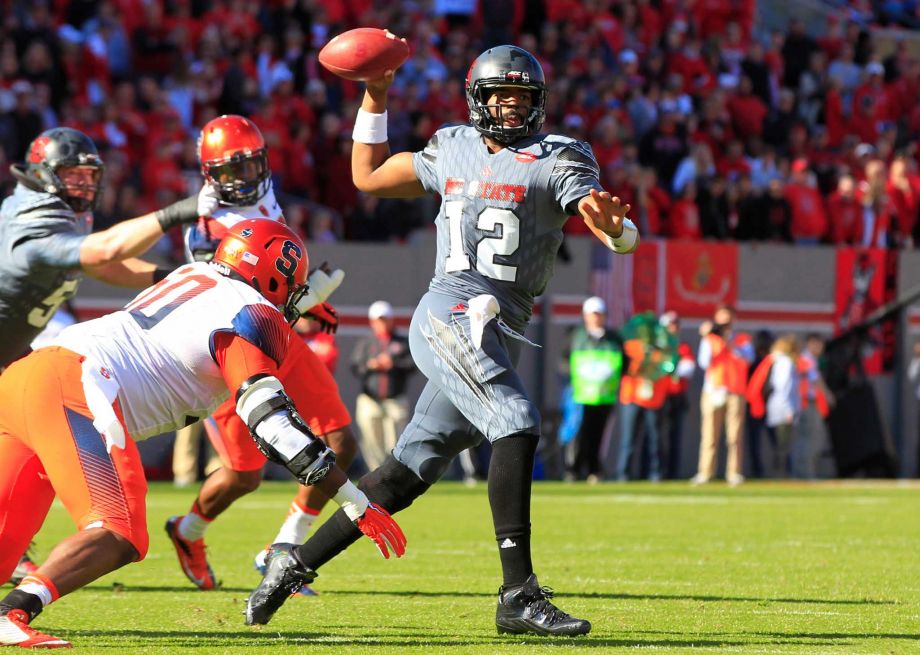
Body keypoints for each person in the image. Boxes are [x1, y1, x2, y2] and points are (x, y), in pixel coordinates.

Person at [246, 44, 639, 636]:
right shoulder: (450, 145)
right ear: (478, 99)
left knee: (405, 472)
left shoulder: (558, 157)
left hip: (498, 328)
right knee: (516, 418)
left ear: (539, 103)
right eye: (500, 95)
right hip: (450, 310)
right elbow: (369, 175)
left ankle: (292, 564)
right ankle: (518, 596)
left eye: (522, 96)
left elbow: (598, 215)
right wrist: (374, 96)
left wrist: (619, 230)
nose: (510, 106)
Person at [0, 220, 405, 648]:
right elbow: (273, 426)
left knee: (6, 538)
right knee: (119, 530)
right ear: (272, 276)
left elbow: (215, 317)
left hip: (29, 375)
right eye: (291, 287)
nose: (292, 298)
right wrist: (355, 502)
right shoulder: (255, 314)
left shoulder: (194, 273)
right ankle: (12, 612)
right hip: (74, 385)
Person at [163, 115, 361, 594]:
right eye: (232, 172)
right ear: (210, 175)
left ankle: (284, 547)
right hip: (236, 345)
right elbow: (236, 304)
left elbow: (277, 275)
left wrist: (308, 300)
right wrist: (309, 298)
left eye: (251, 165)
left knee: (340, 441)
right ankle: (187, 531)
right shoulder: (206, 229)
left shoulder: (265, 200)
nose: (246, 179)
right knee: (244, 477)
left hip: (281, 337)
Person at [0, 126, 205, 585]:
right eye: (72, 175)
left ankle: (13, 555)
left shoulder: (60, 212)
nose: (84, 185)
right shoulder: (29, 226)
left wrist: (165, 277)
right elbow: (106, 249)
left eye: (88, 176)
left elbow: (103, 263)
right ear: (42, 175)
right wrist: (178, 212)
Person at [350, 300, 416, 472]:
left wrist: (392, 364)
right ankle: (376, 476)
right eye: (378, 320)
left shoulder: (402, 341)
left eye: (385, 319)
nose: (382, 323)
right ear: (372, 322)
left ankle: (394, 475)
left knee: (396, 442)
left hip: (395, 398)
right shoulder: (366, 342)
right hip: (370, 399)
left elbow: (412, 365)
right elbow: (355, 367)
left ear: (391, 319)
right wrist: (371, 365)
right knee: (372, 442)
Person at [691, 304, 753, 486]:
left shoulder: (741, 339)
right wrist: (708, 336)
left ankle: (734, 473)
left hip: (735, 391)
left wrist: (729, 343)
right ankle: (705, 472)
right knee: (709, 435)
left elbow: (748, 359)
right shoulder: (709, 339)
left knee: (734, 436)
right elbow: (704, 362)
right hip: (713, 390)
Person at [564, 296, 624, 482]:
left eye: (600, 314)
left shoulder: (614, 338)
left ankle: (593, 469)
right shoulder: (577, 336)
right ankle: (573, 469)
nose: (596, 318)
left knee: (598, 434)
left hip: (604, 395)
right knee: (578, 432)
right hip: (580, 394)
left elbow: (624, 364)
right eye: (593, 314)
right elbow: (564, 361)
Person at [658, 311, 695, 480]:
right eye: (669, 325)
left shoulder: (682, 347)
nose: (673, 328)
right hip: (658, 397)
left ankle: (672, 472)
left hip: (676, 396)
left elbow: (687, 369)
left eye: (675, 325)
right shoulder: (658, 347)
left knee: (674, 436)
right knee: (655, 436)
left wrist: (671, 368)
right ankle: (655, 471)